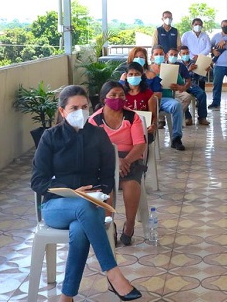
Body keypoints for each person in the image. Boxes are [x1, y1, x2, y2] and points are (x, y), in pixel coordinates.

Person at [31, 85, 142, 302]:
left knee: (81, 228)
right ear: (62, 111)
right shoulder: (50, 137)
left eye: (84, 107)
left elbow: (108, 178)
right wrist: (72, 192)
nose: (80, 112)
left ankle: (67, 296)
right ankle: (113, 273)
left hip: (92, 205)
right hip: (56, 206)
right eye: (74, 108)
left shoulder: (98, 135)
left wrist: (99, 192)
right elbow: (38, 181)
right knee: (82, 206)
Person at [89, 81, 146, 247]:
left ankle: (129, 225)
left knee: (131, 185)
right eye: (113, 95)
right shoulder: (95, 120)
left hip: (131, 158)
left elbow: (140, 144)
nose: (118, 98)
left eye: (121, 95)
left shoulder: (132, 117)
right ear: (103, 98)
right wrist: (115, 161)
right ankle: (109, 226)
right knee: (106, 189)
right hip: (105, 159)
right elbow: (95, 149)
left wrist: (126, 161)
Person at [138, 45, 186, 150]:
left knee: (177, 105)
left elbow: (182, 86)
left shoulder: (171, 69)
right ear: (151, 57)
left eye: (161, 54)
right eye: (156, 54)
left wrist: (178, 87)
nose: (159, 56)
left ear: (165, 56)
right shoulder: (145, 71)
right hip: (148, 100)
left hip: (165, 99)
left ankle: (176, 138)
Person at [163, 46, 210, 126]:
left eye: (175, 55)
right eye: (171, 55)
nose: (173, 57)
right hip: (173, 87)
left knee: (201, 93)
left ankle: (202, 117)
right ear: (167, 55)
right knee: (183, 97)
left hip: (189, 84)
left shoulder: (185, 64)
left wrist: (206, 70)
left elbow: (189, 78)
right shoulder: (163, 66)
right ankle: (187, 117)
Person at [121, 62, 158, 140]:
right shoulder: (121, 93)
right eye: (131, 74)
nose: (133, 76)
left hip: (144, 128)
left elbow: (153, 115)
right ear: (126, 76)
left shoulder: (148, 94)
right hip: (125, 128)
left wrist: (153, 125)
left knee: (142, 139)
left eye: (137, 74)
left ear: (141, 76)